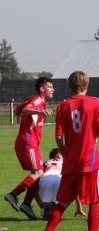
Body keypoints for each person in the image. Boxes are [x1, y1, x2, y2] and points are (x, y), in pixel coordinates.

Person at [35, 71, 99, 231]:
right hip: (90, 161)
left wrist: (65, 150)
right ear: (86, 85)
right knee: (94, 202)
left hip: (70, 162)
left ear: (70, 86)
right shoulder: (95, 102)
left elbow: (58, 135)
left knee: (62, 203)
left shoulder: (63, 106)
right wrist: (90, 137)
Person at [4, 77, 54, 220]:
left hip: (29, 144)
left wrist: (29, 113)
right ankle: (13, 195)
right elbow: (25, 110)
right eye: (50, 86)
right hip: (28, 143)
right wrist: (40, 112)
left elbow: (17, 110)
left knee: (37, 175)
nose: (53, 89)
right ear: (42, 89)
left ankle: (27, 204)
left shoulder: (36, 101)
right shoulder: (38, 101)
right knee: (39, 172)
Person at [40, 148, 86, 220]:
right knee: (60, 202)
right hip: (59, 176)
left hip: (45, 176)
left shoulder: (46, 163)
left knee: (46, 204)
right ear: (58, 156)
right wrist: (79, 208)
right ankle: (53, 212)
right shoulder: (66, 162)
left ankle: (45, 210)